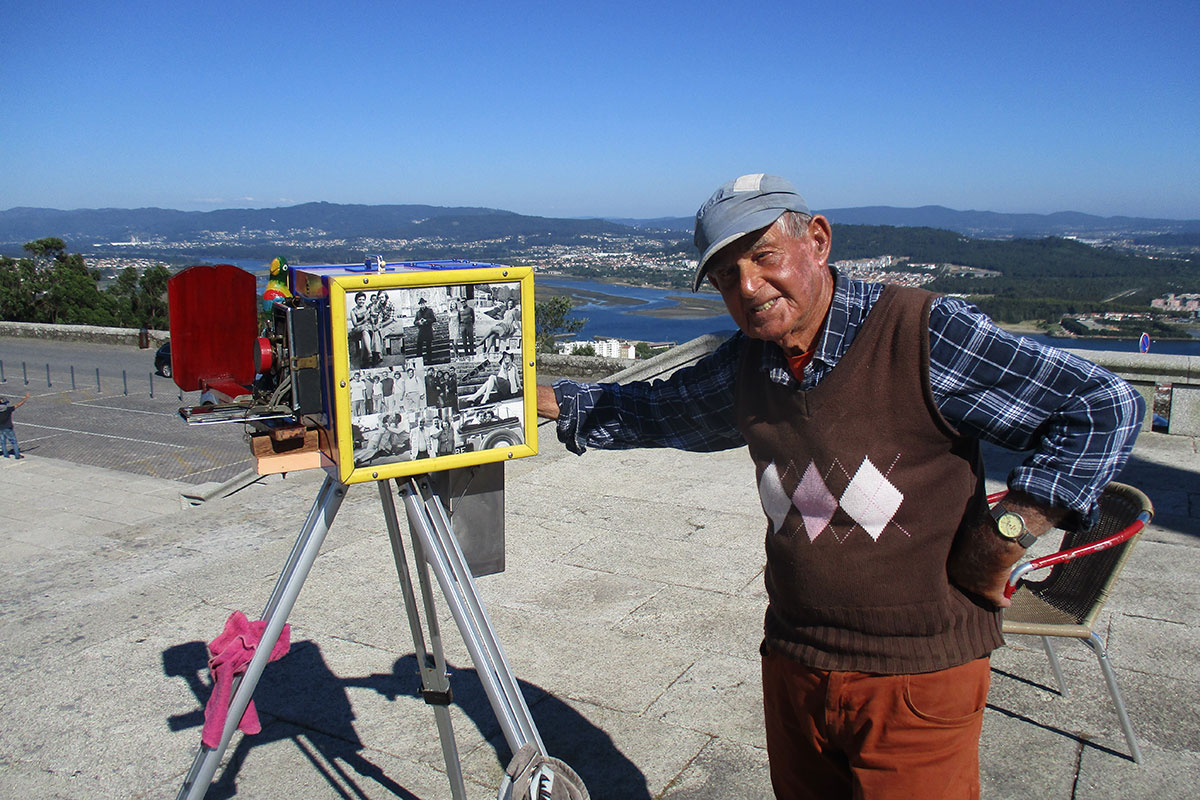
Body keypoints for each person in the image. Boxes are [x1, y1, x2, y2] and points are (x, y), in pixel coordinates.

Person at [536, 174, 1143, 800]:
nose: (747, 287)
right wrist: (531, 398)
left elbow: (1103, 404)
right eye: (723, 276)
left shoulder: (920, 333)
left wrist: (1005, 534)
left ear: (817, 241)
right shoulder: (752, 359)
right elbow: (658, 409)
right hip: (795, 657)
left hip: (917, 671)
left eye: (763, 256)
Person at [0, 393, 30, 459]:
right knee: (14, 442)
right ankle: (17, 455)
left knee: (3, 443)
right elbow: (18, 405)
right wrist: (25, 398)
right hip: (8, 428)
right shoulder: (8, 410)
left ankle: (6, 455)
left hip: (0, 429)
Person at [414, 297, 437, 364]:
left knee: (428, 346)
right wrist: (419, 322)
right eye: (421, 304)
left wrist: (426, 320)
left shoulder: (429, 310)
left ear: (425, 303)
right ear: (419, 305)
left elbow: (434, 319)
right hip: (421, 331)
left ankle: (429, 361)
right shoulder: (418, 312)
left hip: (428, 330)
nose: (422, 305)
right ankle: (419, 361)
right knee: (419, 345)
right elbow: (414, 322)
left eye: (423, 303)